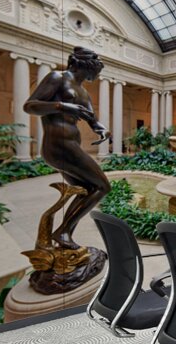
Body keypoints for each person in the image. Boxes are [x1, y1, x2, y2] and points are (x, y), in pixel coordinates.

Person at [24, 47, 111, 250]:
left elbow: (92, 120)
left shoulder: (83, 92)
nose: (97, 75)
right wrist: (62, 106)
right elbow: (30, 106)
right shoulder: (57, 77)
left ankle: (64, 234)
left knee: (87, 190)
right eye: (97, 70)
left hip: (69, 145)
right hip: (59, 145)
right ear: (86, 65)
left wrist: (102, 130)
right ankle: (63, 231)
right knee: (103, 187)